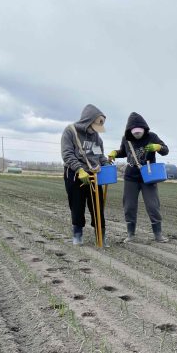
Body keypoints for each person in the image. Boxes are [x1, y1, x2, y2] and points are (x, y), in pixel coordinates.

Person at [108, 112, 170, 243]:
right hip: (131, 177)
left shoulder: (152, 136)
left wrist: (158, 147)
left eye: (139, 131)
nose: (137, 134)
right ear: (130, 131)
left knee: (153, 206)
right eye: (134, 132)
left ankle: (158, 234)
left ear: (144, 129)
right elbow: (124, 152)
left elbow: (165, 150)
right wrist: (115, 153)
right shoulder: (126, 139)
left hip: (148, 177)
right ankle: (130, 234)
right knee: (129, 206)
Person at [61, 104, 110, 246]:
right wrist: (79, 169)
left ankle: (101, 235)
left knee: (97, 206)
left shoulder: (96, 137)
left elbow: (100, 156)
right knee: (77, 205)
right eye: (94, 126)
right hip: (75, 174)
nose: (96, 130)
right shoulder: (70, 131)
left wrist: (107, 166)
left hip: (94, 175)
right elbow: (67, 154)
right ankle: (77, 234)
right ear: (88, 121)